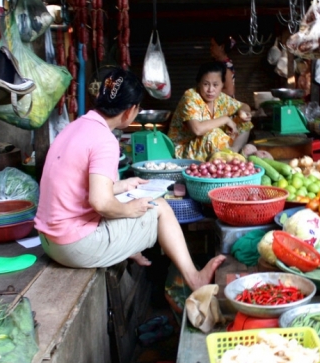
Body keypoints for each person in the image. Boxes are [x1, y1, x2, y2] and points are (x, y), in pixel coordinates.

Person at [34, 67, 225, 291]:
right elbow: (101, 203)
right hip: (74, 246)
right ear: (130, 111)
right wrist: (131, 209)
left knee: (128, 201)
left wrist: (120, 186)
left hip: (49, 241)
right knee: (161, 207)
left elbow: (78, 188)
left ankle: (128, 245)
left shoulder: (75, 127)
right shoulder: (104, 139)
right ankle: (194, 278)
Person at [168, 61, 253, 161]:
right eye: (206, 84)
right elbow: (197, 130)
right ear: (199, 83)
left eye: (215, 85)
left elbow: (244, 105)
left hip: (212, 146)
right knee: (214, 134)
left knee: (243, 121)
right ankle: (231, 160)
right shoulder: (190, 96)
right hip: (184, 150)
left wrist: (243, 112)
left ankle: (235, 152)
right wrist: (225, 119)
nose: (210, 90)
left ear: (222, 85)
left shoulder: (221, 98)